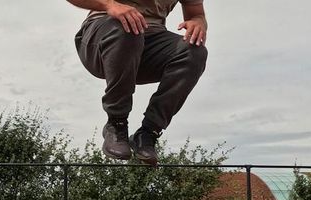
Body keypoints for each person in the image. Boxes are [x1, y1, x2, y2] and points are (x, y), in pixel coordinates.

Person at [67, 0, 208, 166]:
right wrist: (110, 5)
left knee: (194, 52)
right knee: (128, 28)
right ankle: (116, 123)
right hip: (102, 35)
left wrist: (198, 23)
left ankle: (148, 133)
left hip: (149, 43)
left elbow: (196, 13)